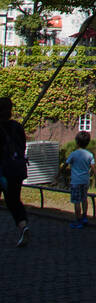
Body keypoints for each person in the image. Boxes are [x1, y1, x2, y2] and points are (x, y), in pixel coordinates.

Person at [0, 96, 29, 247]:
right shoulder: (18, 127)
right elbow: (22, 147)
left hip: (2, 170)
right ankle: (23, 226)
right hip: (17, 169)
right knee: (14, 201)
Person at [66, 130, 96, 229]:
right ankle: (85, 217)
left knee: (76, 201)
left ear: (77, 141)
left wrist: (58, 174)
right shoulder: (89, 155)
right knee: (84, 199)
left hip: (76, 181)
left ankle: (78, 220)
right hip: (85, 181)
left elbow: (66, 164)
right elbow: (93, 167)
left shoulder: (74, 154)